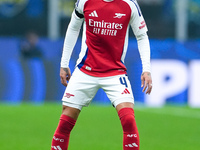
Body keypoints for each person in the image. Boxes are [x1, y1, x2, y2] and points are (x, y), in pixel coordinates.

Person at [51, 0, 152, 149]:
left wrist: (146, 69)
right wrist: (64, 63)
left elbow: (142, 36)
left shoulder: (129, 4)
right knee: (65, 121)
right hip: (85, 70)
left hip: (115, 72)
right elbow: (73, 28)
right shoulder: (85, 2)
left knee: (128, 119)